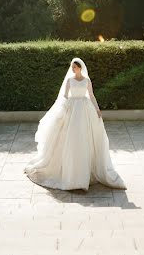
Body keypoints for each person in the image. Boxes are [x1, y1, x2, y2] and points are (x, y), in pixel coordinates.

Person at [23, 57, 126, 191]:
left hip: (84, 108)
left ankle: (85, 172)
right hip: (72, 108)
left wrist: (97, 108)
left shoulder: (87, 80)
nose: (73, 69)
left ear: (80, 68)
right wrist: (61, 111)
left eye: (75, 67)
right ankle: (71, 173)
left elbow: (92, 95)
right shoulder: (69, 80)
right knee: (70, 137)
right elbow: (64, 96)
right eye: (72, 68)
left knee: (85, 136)